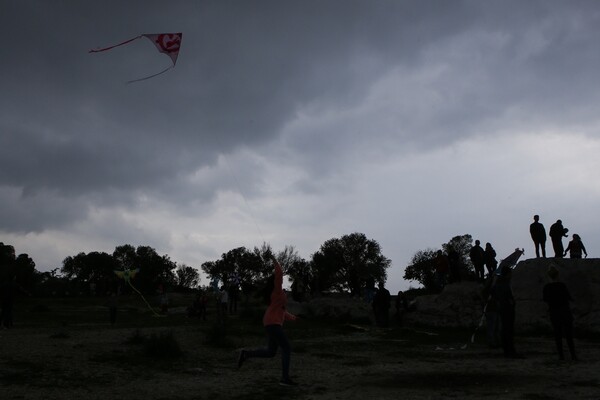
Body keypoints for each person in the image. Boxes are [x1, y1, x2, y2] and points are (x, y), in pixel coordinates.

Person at [238, 258, 298, 386]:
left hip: (271, 322)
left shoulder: (277, 297)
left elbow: (282, 311)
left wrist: (294, 318)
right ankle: (285, 379)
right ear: (277, 282)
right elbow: (279, 273)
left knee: (271, 352)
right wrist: (275, 260)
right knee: (287, 348)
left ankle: (246, 354)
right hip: (273, 324)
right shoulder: (277, 291)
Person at [543, 266, 577, 360]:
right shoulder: (562, 285)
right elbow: (568, 297)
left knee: (557, 334)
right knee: (569, 334)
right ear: (557, 275)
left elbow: (545, 299)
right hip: (565, 311)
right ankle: (573, 354)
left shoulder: (547, 287)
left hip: (554, 312)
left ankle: (561, 355)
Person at [491, 267, 519, 358]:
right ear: (508, 274)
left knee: (505, 329)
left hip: (502, 308)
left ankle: (507, 350)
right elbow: (508, 295)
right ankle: (510, 350)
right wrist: (510, 301)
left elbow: (493, 293)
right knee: (508, 330)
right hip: (507, 308)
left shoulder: (498, 283)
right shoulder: (505, 283)